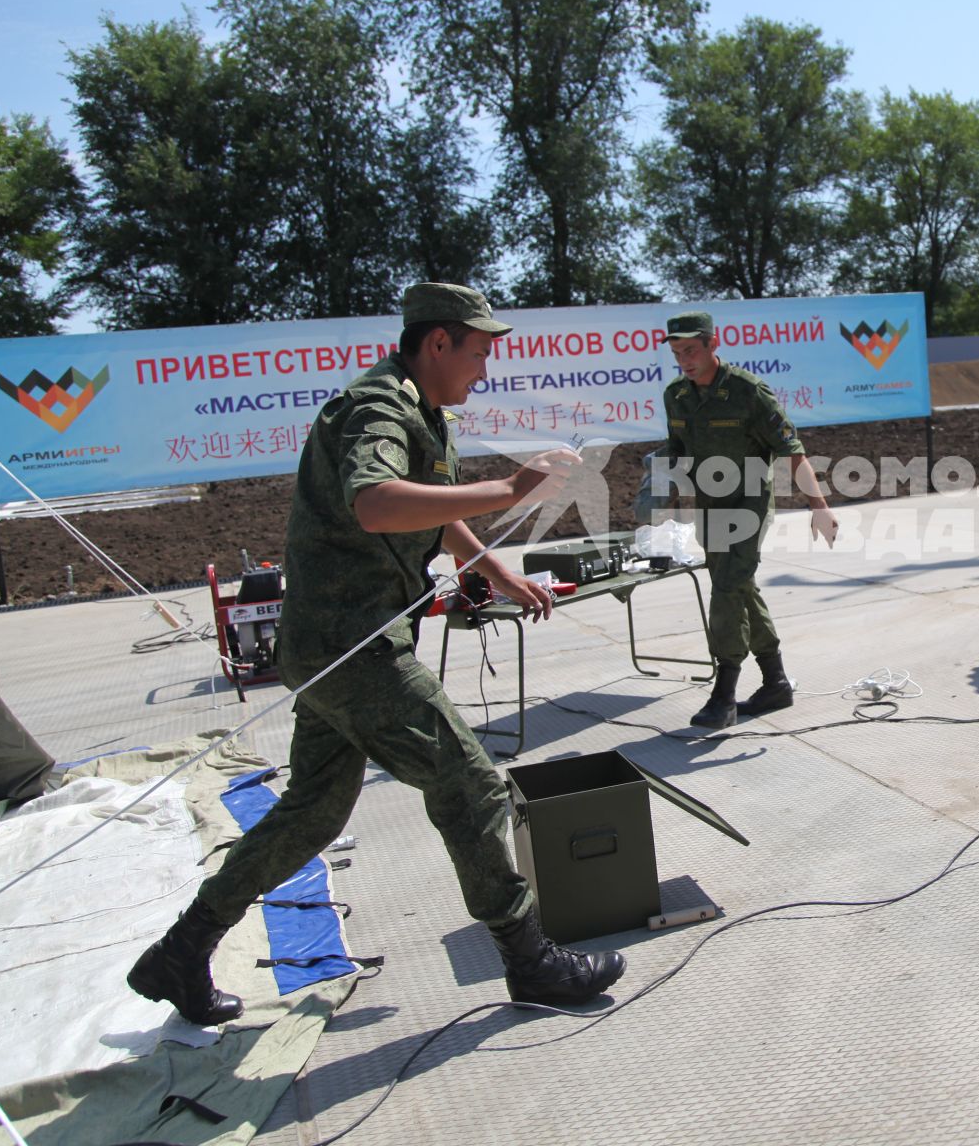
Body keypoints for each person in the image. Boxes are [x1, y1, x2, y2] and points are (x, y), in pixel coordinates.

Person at [129, 282, 625, 1026]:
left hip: (336, 645)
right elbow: (377, 502)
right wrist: (508, 487)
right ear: (437, 343)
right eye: (479, 352)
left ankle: (180, 951)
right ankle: (530, 961)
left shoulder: (419, 409)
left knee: (310, 815)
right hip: (353, 650)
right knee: (469, 787)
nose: (484, 370)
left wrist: (496, 570)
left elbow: (428, 503)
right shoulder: (378, 408)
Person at [647, 311, 838, 729]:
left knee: (728, 589)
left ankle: (725, 693)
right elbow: (675, 453)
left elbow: (793, 450)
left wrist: (818, 505)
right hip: (709, 506)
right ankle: (775, 682)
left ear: (714, 345)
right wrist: (661, 501)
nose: (685, 360)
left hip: (748, 503)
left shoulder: (748, 392)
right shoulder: (676, 395)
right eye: (678, 353)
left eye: (692, 350)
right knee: (739, 587)